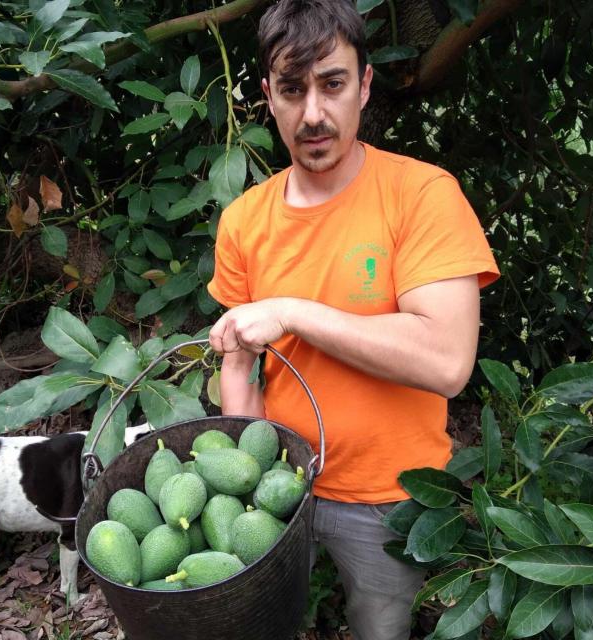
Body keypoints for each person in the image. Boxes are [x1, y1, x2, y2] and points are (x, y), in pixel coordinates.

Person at [206, 1, 500, 638]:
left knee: (379, 626)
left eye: (332, 84)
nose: (313, 113)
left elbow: (446, 360)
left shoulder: (422, 195)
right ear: (268, 97)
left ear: (364, 85)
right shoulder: (243, 221)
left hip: (389, 494)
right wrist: (248, 474)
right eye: (292, 90)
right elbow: (240, 363)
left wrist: (291, 312)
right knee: (265, 621)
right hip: (280, 485)